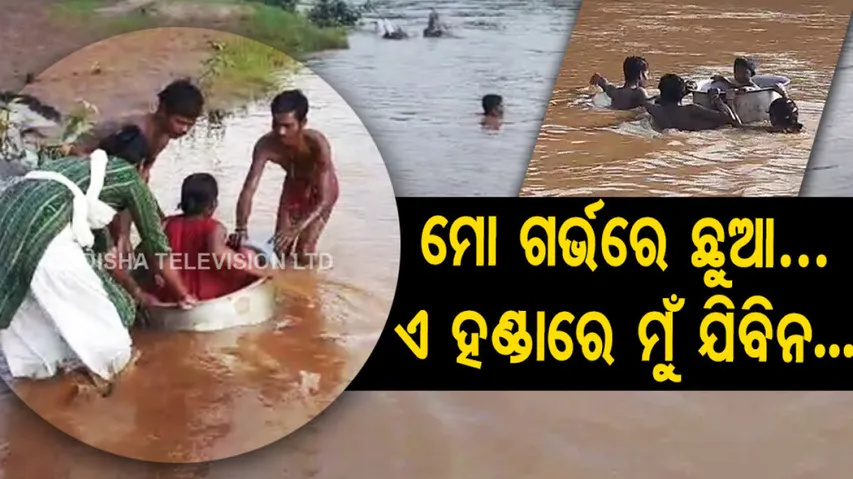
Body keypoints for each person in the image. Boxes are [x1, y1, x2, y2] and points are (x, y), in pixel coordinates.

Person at [0, 125, 196, 392]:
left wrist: (133, 290)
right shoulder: (129, 177)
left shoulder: (79, 168)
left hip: (6, 216)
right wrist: (183, 295)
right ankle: (125, 393)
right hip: (44, 228)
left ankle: (45, 393)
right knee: (107, 333)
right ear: (140, 166)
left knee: (35, 335)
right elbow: (157, 248)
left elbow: (100, 257)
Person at [72, 79, 205, 256]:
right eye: (180, 122)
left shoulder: (163, 136)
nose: (184, 130)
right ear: (162, 111)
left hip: (112, 173)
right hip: (81, 165)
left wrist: (158, 218)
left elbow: (142, 178)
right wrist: (124, 235)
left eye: (190, 124)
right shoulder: (135, 136)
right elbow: (123, 188)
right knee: (109, 243)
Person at [229, 90, 339, 263]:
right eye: (276, 124)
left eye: (288, 126)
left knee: (304, 251)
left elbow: (324, 199)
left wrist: (298, 228)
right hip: (293, 186)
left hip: (321, 190)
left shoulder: (317, 143)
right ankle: (284, 285)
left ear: (302, 123)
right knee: (280, 250)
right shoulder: (265, 145)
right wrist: (241, 228)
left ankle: (311, 282)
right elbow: (249, 188)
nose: (280, 132)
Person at [142, 173, 276, 302]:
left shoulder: (165, 224)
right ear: (212, 205)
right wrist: (260, 271)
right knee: (248, 254)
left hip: (172, 291)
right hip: (205, 291)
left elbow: (152, 253)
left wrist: (155, 274)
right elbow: (218, 252)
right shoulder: (215, 227)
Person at [643, 73, 741, 131]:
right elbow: (731, 120)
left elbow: (647, 101)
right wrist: (716, 98)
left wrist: (683, 92)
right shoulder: (690, 110)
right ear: (681, 93)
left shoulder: (655, 110)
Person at [589, 56, 657, 110]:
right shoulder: (639, 92)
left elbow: (604, 83)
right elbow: (650, 105)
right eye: (647, 74)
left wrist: (598, 78)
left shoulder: (614, 92)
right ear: (640, 75)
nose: (647, 78)